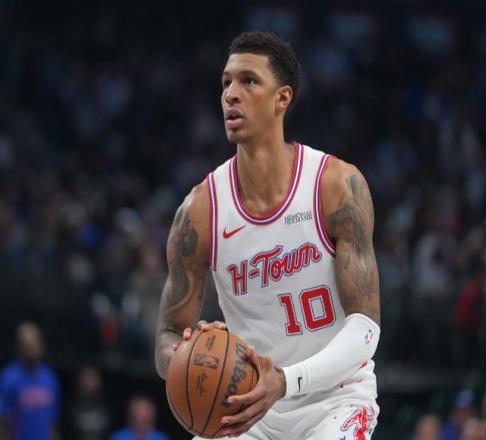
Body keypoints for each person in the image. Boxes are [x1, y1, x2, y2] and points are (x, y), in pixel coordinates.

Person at [155, 30, 381, 439]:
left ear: (282, 98)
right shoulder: (200, 211)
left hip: (334, 399)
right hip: (247, 406)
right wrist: (186, 356)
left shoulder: (335, 186)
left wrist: (287, 381)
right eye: (226, 82)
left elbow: (366, 329)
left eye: (249, 81)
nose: (231, 94)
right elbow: (167, 335)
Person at [0, 322, 61, 440]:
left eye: (35, 344)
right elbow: (3, 422)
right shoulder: (8, 378)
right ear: (19, 348)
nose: (32, 350)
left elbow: (53, 423)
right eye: (27, 346)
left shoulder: (50, 377)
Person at [67, 365, 111, 440]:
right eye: (86, 379)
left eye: (92, 378)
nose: (89, 383)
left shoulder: (107, 409)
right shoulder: (71, 409)